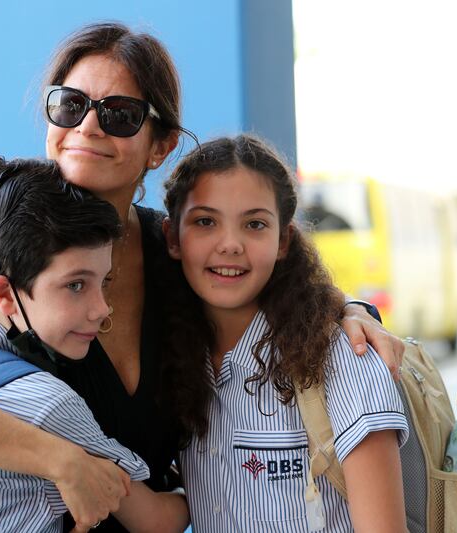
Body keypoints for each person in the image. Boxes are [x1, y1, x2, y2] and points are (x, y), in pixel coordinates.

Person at [0, 22, 403, 532]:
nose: (87, 126)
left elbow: (279, 284)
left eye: (120, 113)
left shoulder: (178, 251)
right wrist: (64, 462)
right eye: (70, 104)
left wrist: (350, 312)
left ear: (162, 144)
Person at [0, 155, 188, 532]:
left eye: (104, 282)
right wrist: (203, 486)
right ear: (4, 294)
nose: (102, 309)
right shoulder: (51, 407)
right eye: (76, 285)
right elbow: (155, 522)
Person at [161, 134, 409, 532]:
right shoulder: (175, 363)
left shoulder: (343, 360)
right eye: (205, 222)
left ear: (283, 241)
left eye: (254, 224)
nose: (230, 245)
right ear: (173, 237)